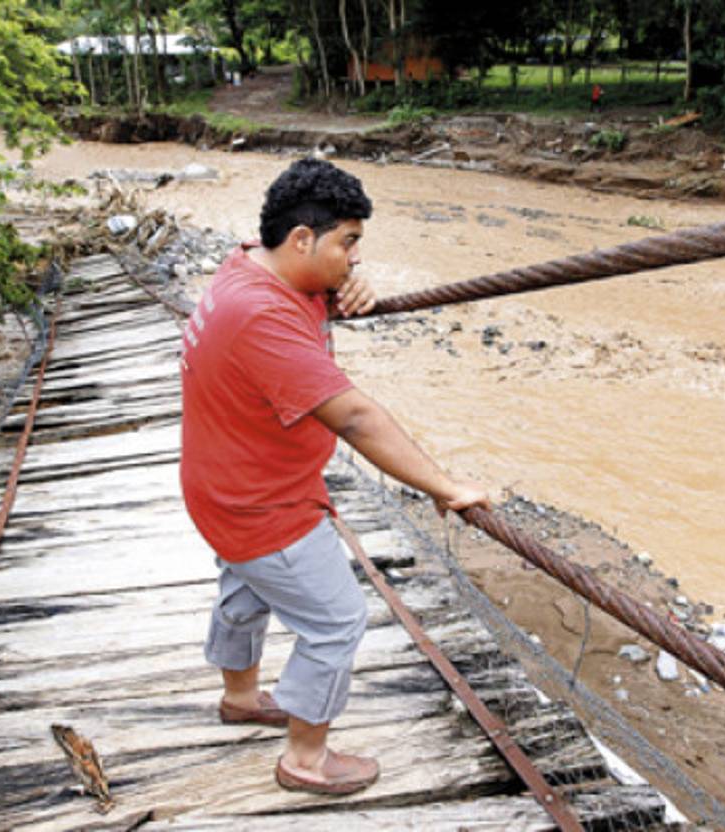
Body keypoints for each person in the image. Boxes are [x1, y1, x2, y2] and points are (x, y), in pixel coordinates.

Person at [179, 158, 490, 797]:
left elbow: (309, 291)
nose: (353, 259)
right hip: (264, 503)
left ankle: (240, 697)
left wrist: (342, 285)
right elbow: (352, 415)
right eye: (348, 244)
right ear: (302, 240)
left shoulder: (248, 267)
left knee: (245, 583)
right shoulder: (262, 318)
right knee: (336, 621)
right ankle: (305, 759)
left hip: (217, 486)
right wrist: (444, 485)